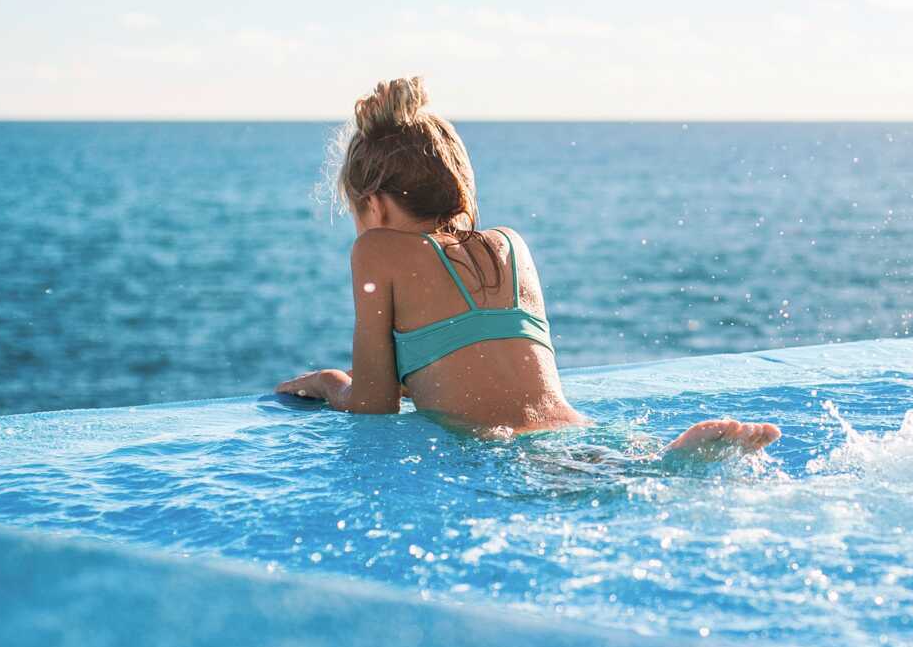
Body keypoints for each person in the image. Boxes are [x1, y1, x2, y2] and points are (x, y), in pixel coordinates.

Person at [277, 77, 780, 458]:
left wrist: (328, 382)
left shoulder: (377, 250)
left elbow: (374, 405)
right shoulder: (510, 246)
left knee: (564, 479)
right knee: (617, 465)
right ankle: (672, 459)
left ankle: (674, 465)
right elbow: (471, 359)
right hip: (573, 428)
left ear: (375, 205)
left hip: (499, 447)